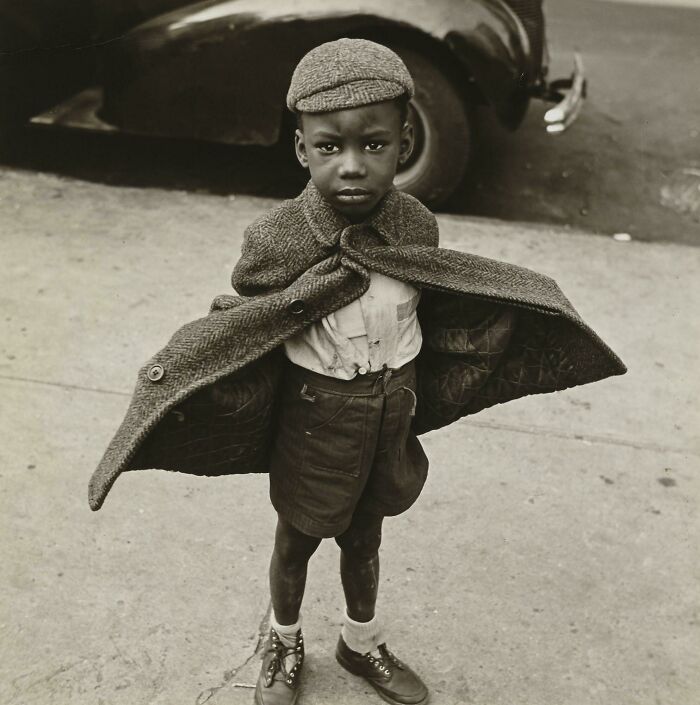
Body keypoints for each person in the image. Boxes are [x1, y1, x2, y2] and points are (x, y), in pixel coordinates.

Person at [236, 39, 432, 705]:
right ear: (302, 149)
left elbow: (441, 302)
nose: (351, 166)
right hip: (315, 414)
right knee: (297, 537)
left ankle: (361, 639)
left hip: (391, 408)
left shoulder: (416, 228)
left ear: (405, 144)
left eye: (374, 145)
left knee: (365, 535)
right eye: (329, 147)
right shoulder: (278, 239)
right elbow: (248, 315)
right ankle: (283, 639)